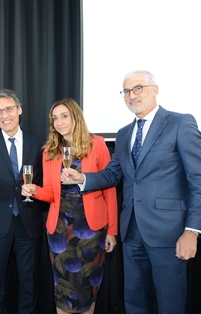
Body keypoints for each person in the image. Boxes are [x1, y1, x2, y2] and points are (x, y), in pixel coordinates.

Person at [63, 70, 201, 314]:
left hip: (169, 233)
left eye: (138, 88)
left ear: (154, 90)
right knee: (135, 303)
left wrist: (192, 231)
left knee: (171, 304)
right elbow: (112, 174)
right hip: (132, 232)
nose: (132, 95)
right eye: (126, 91)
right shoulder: (125, 133)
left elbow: (197, 180)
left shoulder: (181, 122)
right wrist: (82, 177)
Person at [21, 98, 117, 314]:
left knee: (88, 290)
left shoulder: (97, 144)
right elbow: (50, 193)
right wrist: (34, 190)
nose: (59, 122)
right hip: (59, 231)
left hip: (91, 230)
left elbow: (109, 188)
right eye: (55, 118)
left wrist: (112, 230)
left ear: (76, 117)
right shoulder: (50, 151)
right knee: (63, 292)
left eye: (64, 116)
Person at [0, 89, 45, 314]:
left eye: (9, 109)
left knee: (29, 284)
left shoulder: (38, 144)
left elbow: (46, 185)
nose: (5, 115)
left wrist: (36, 189)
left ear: (19, 110)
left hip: (29, 223)